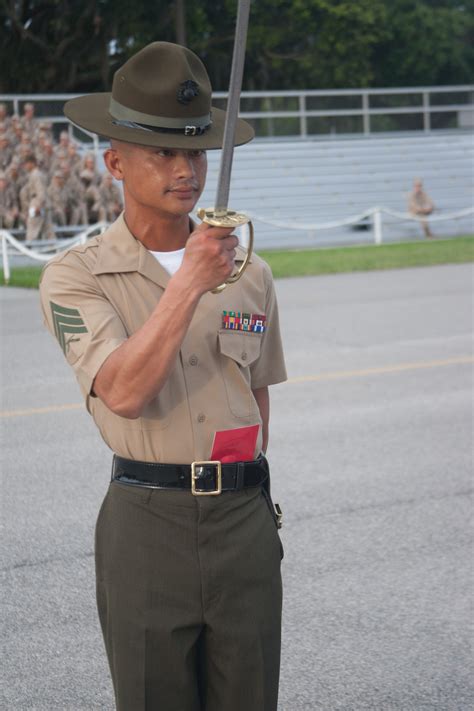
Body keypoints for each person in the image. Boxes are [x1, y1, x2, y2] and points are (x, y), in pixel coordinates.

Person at [39, 41, 286, 711]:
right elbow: (121, 389)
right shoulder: (76, 275)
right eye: (164, 151)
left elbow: (258, 395)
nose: (187, 169)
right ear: (115, 160)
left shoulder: (251, 273)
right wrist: (189, 285)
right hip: (148, 525)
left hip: (242, 520)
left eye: (197, 151)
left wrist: (254, 502)